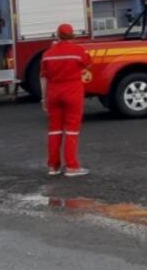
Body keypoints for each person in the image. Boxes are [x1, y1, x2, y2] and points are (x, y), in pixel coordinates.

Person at [40, 23, 92, 177]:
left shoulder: (48, 54)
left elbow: (43, 77)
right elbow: (88, 65)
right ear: (72, 35)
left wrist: (44, 98)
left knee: (54, 130)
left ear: (57, 35)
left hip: (53, 93)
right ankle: (72, 166)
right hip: (73, 92)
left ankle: (53, 166)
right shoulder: (78, 51)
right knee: (71, 130)